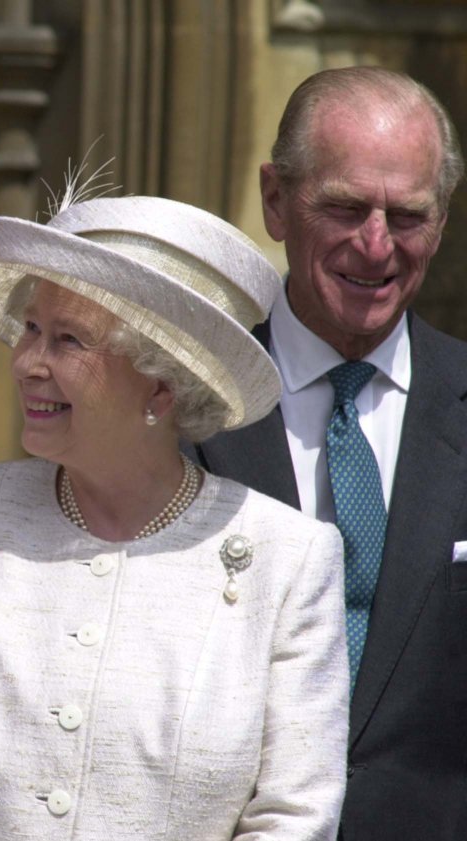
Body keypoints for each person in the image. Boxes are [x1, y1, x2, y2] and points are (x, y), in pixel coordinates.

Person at [0, 193, 349, 840]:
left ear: (161, 387)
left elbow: (293, 816)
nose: (27, 363)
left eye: (68, 340)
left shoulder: (290, 560)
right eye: (30, 329)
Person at [191, 66, 467, 840]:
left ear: (441, 223)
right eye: (344, 207)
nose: (376, 244)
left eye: (407, 216)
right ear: (276, 200)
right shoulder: (181, 407)